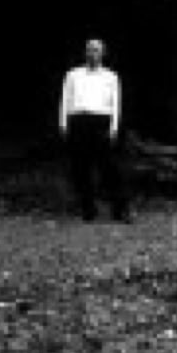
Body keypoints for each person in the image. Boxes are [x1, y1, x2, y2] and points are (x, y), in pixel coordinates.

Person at [59, 38, 131, 223]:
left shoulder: (111, 76)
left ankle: (120, 210)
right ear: (85, 52)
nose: (93, 53)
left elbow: (116, 104)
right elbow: (65, 99)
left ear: (103, 53)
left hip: (101, 122)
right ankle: (88, 210)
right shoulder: (73, 74)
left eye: (97, 50)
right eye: (90, 50)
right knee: (81, 168)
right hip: (78, 121)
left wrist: (114, 127)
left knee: (110, 168)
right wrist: (63, 124)